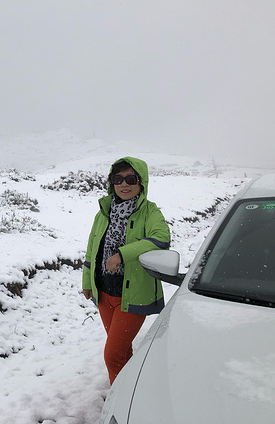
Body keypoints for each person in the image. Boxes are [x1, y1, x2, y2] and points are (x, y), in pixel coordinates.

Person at [82, 156, 170, 384]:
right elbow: (93, 249)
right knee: (121, 352)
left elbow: (161, 238)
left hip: (132, 295)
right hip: (104, 293)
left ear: (141, 183)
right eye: (117, 179)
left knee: (112, 356)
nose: (124, 184)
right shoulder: (103, 213)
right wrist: (86, 282)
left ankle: (119, 402)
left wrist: (123, 254)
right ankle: (132, 389)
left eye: (131, 179)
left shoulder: (149, 212)